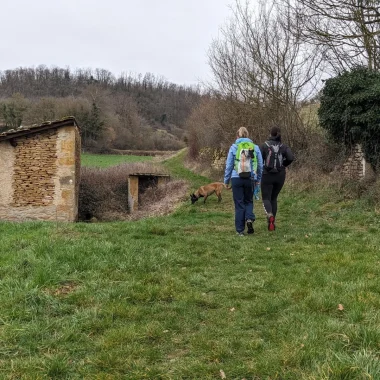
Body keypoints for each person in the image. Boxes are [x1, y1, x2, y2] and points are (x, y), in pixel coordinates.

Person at [224, 127, 263, 236]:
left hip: (236, 178)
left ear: (237, 136)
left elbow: (229, 166)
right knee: (249, 201)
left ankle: (240, 230)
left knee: (239, 203)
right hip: (250, 178)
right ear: (247, 135)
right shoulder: (254, 147)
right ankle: (249, 218)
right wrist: (258, 179)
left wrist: (226, 181)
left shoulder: (233, 148)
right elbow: (260, 165)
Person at [260, 126, 294, 231]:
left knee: (266, 198)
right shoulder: (284, 146)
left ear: (270, 134)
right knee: (274, 198)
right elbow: (291, 158)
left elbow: (259, 159)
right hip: (280, 175)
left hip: (267, 174)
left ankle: (269, 214)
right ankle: (272, 223)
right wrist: (283, 164)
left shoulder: (264, 146)